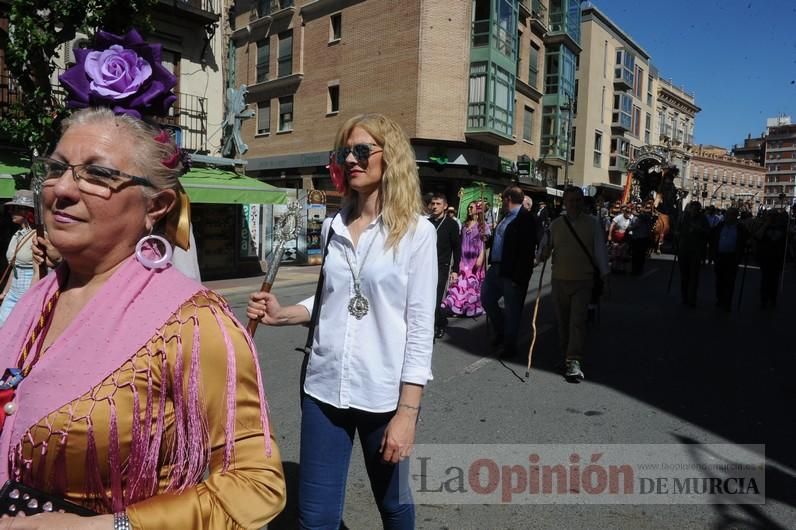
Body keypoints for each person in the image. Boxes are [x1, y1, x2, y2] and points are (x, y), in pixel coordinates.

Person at [0, 31, 285, 529]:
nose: (63, 189)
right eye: (56, 169)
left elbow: (255, 484)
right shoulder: (38, 299)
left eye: (97, 175)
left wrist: (109, 527)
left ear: (156, 206)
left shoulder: (193, 324)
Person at [247, 113, 435, 529]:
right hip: (323, 388)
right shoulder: (333, 225)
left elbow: (420, 330)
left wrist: (407, 414)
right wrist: (284, 314)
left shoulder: (418, 233)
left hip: (384, 396)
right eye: (344, 151)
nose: (351, 158)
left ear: (392, 158)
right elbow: (333, 300)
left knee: (395, 507)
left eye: (362, 150)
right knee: (314, 520)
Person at [538, 187, 609, 382]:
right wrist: (542, 253)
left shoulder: (593, 224)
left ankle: (574, 360)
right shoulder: (555, 225)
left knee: (577, 322)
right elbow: (543, 251)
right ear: (565, 203)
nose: (575, 204)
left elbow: (600, 252)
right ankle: (565, 356)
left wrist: (605, 276)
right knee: (563, 322)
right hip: (560, 280)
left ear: (583, 202)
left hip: (583, 281)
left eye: (578, 200)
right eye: (571, 200)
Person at [481, 186, 538, 359]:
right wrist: (488, 238)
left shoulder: (526, 219)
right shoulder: (505, 217)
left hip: (512, 270)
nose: (501, 202)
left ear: (508, 199)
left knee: (512, 309)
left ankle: (509, 344)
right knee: (486, 298)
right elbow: (500, 239)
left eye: (502, 199)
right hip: (496, 267)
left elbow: (526, 251)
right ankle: (501, 330)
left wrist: (519, 276)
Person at [442, 200, 491, 317]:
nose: (469, 209)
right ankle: (457, 306)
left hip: (475, 258)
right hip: (464, 259)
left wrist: (481, 257)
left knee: (471, 284)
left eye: (472, 207)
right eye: (469, 207)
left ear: (478, 210)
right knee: (460, 283)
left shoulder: (482, 225)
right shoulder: (464, 224)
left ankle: (469, 306)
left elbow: (484, 244)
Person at [0, 190, 38, 327]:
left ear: (27, 212)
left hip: (28, 293)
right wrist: (5, 292)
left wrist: (32, 299)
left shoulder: (38, 236)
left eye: (15, 208)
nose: (11, 212)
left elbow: (39, 272)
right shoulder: (18, 234)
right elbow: (14, 267)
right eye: (11, 208)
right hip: (12, 292)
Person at [428, 192, 461, 339]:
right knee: (425, 298)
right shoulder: (427, 223)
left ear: (445, 206)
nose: (434, 207)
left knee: (436, 298)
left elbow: (457, 247)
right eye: (433, 204)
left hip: (442, 265)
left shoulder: (451, 224)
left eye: (438, 204)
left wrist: (456, 270)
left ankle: (438, 325)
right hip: (425, 266)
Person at [709, 207, 750, 312]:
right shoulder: (720, 225)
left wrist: (747, 244)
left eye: (730, 215)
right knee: (719, 280)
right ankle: (720, 299)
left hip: (732, 258)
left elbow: (746, 238)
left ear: (735, 216)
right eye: (727, 214)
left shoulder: (741, 228)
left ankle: (727, 302)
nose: (727, 216)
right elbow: (713, 236)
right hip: (720, 256)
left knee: (730, 281)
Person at [677, 201, 710, 307]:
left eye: (696, 209)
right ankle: (684, 297)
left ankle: (692, 299)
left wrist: (699, 230)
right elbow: (678, 230)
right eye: (692, 209)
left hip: (696, 251)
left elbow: (708, 232)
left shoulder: (703, 219)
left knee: (694, 276)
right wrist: (677, 234)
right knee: (684, 276)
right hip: (684, 250)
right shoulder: (684, 217)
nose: (693, 211)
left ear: (699, 210)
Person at [754, 209, 788, 309]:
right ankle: (764, 300)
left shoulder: (782, 228)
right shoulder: (764, 226)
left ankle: (772, 299)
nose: (772, 218)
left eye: (774, 216)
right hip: (765, 258)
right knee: (765, 279)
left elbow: (785, 241)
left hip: (777, 258)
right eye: (770, 215)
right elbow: (757, 236)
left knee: (774, 280)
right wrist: (766, 225)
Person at [627, 202, 653, 275]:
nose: (638, 208)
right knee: (634, 255)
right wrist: (633, 227)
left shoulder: (646, 217)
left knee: (641, 255)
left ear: (642, 208)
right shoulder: (633, 218)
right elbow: (629, 227)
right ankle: (634, 270)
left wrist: (649, 237)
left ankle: (639, 270)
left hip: (643, 239)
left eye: (639, 207)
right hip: (635, 239)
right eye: (637, 207)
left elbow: (647, 223)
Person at [608, 205, 633, 273]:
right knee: (615, 254)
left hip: (625, 238)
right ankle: (614, 268)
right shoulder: (618, 217)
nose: (629, 213)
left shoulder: (631, 218)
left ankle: (622, 269)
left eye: (630, 212)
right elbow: (612, 225)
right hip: (616, 238)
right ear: (624, 212)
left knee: (623, 254)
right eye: (627, 212)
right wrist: (609, 235)